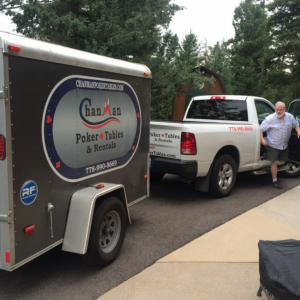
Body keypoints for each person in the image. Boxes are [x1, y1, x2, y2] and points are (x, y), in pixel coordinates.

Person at [260, 101, 300, 189]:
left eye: (280, 110)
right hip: (272, 144)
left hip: (284, 144)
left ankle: (274, 167)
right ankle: (275, 180)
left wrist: (298, 131)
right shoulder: (270, 119)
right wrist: (262, 139)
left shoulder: (290, 117)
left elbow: (296, 125)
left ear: (284, 109)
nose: (278, 111)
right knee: (274, 162)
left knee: (282, 161)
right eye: (277, 109)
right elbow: (261, 129)